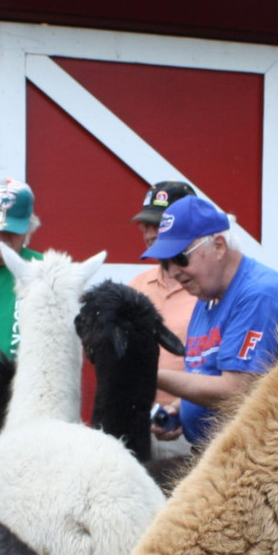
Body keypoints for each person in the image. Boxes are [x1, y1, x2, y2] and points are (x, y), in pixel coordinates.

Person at [147, 195, 278, 448]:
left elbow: (238, 390)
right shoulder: (207, 295)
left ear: (219, 245)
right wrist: (180, 408)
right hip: (220, 455)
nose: (173, 271)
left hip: (256, 458)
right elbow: (206, 372)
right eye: (164, 263)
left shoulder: (259, 293)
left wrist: (148, 374)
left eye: (180, 257)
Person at [127, 180, 198, 420]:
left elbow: (216, 368)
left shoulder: (207, 289)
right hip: (139, 420)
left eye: (157, 225)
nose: (149, 234)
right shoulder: (136, 286)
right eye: (145, 226)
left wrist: (178, 409)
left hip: (191, 422)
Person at [0, 176, 41, 361]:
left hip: (21, 385)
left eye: (12, 230)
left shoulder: (44, 271)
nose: (1, 236)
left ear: (28, 227)